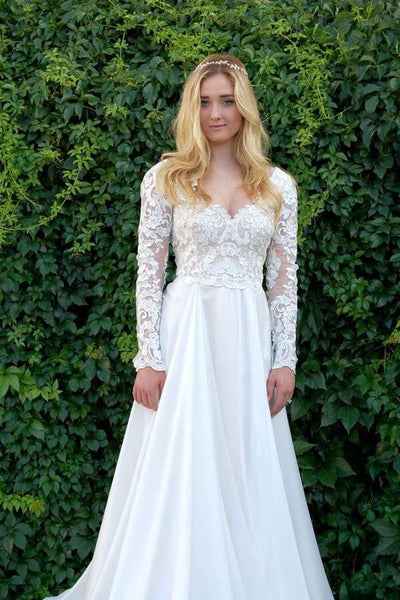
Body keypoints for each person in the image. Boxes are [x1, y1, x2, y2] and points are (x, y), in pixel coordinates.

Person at [44, 54, 334, 599]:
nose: (215, 113)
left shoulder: (278, 186)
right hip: (187, 338)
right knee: (181, 464)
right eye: (204, 102)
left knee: (246, 462)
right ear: (190, 109)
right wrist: (149, 358)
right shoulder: (166, 180)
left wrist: (285, 360)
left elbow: (283, 282)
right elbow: (149, 274)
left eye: (226, 101)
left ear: (244, 108)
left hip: (247, 342)